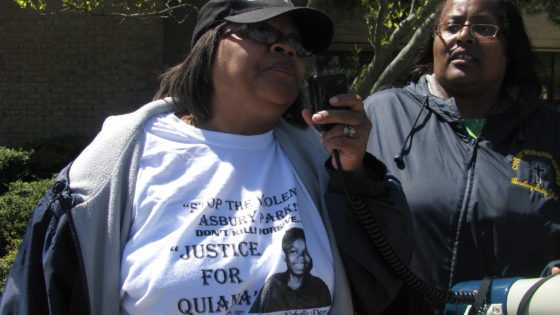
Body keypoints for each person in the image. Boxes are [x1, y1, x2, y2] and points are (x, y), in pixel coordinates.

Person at [0, 0, 413, 314]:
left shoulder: (320, 160)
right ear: (209, 44)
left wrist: (358, 178)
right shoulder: (113, 166)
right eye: (265, 34)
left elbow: (379, 283)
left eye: (295, 43)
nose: (286, 49)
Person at [363, 0, 560, 313]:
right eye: (452, 27)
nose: (464, 37)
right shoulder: (380, 115)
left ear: (509, 46)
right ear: (435, 39)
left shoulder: (550, 130)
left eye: (484, 28)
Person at [249, 227, 330, 313]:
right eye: (294, 251)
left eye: (305, 252)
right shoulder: (273, 285)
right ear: (284, 256)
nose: (301, 257)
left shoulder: (320, 287)